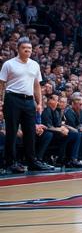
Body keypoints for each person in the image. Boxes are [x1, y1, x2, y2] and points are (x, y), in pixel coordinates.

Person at [0, 38, 48, 173]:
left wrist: (39, 102)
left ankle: (31, 161)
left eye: (30, 48)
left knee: (30, 132)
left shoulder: (35, 65)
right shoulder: (9, 64)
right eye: (24, 48)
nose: (27, 50)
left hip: (29, 100)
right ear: (18, 49)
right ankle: (10, 163)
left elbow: (36, 85)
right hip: (12, 98)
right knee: (12, 131)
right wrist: (1, 100)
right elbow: (1, 84)